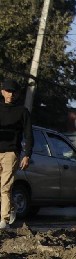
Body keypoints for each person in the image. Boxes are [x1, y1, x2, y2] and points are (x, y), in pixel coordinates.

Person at [0, 78, 32, 229]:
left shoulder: (22, 112)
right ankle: (11, 208)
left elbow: (29, 134)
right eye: (8, 91)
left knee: (5, 186)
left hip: (11, 153)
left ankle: (3, 220)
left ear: (18, 94)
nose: (10, 94)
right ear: (2, 92)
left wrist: (27, 154)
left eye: (13, 92)